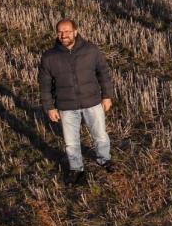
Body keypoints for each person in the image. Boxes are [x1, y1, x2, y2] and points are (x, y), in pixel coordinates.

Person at [39, 19, 116, 185]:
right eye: (60, 32)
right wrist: (49, 107)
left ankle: (104, 159)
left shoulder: (91, 50)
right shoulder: (49, 57)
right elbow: (44, 85)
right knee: (71, 142)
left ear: (75, 31)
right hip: (66, 106)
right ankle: (76, 168)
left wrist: (107, 96)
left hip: (92, 102)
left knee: (100, 135)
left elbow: (103, 73)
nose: (63, 35)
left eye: (67, 31)